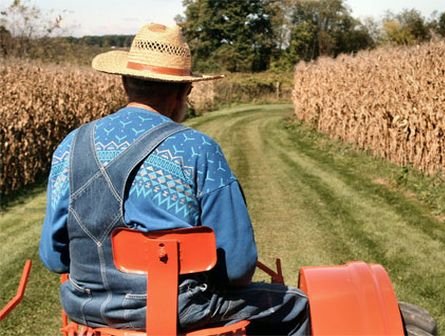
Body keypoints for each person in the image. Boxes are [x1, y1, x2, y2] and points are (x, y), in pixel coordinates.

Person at [38, 23, 309, 335]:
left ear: (126, 83)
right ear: (184, 91)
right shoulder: (197, 149)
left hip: (86, 309)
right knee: (297, 305)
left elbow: (53, 257)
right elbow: (237, 268)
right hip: (178, 310)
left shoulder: (70, 146)